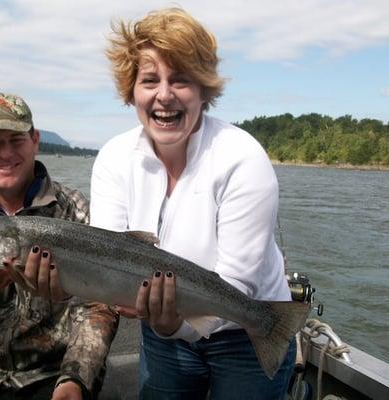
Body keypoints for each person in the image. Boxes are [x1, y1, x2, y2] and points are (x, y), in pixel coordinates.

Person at [90, 8, 295, 400]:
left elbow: (238, 284)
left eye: (181, 80)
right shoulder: (114, 158)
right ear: (131, 90)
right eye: (150, 80)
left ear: (203, 91)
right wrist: (65, 285)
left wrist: (176, 326)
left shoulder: (242, 158)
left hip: (249, 329)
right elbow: (107, 255)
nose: (164, 95)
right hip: (162, 337)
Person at [0, 92, 118, 400]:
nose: (5, 153)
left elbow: (97, 304)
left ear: (35, 141)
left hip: (55, 371)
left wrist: (76, 377)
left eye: (15, 140)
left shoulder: (73, 208)